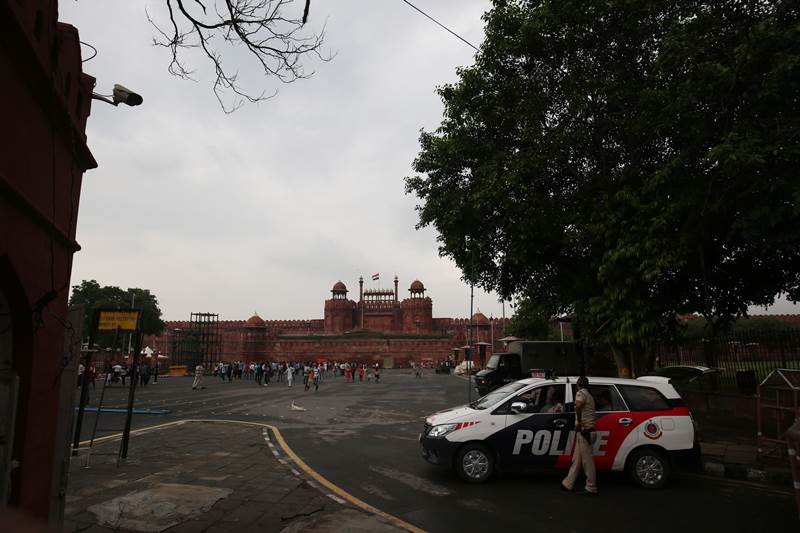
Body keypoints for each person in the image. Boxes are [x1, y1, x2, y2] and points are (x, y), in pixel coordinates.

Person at [562, 376, 598, 495]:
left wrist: (579, 421)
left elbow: (578, 405)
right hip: (588, 432)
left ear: (578, 385)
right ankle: (568, 483)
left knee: (587, 462)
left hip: (584, 431)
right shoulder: (590, 396)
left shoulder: (581, 393)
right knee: (576, 460)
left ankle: (591, 487)